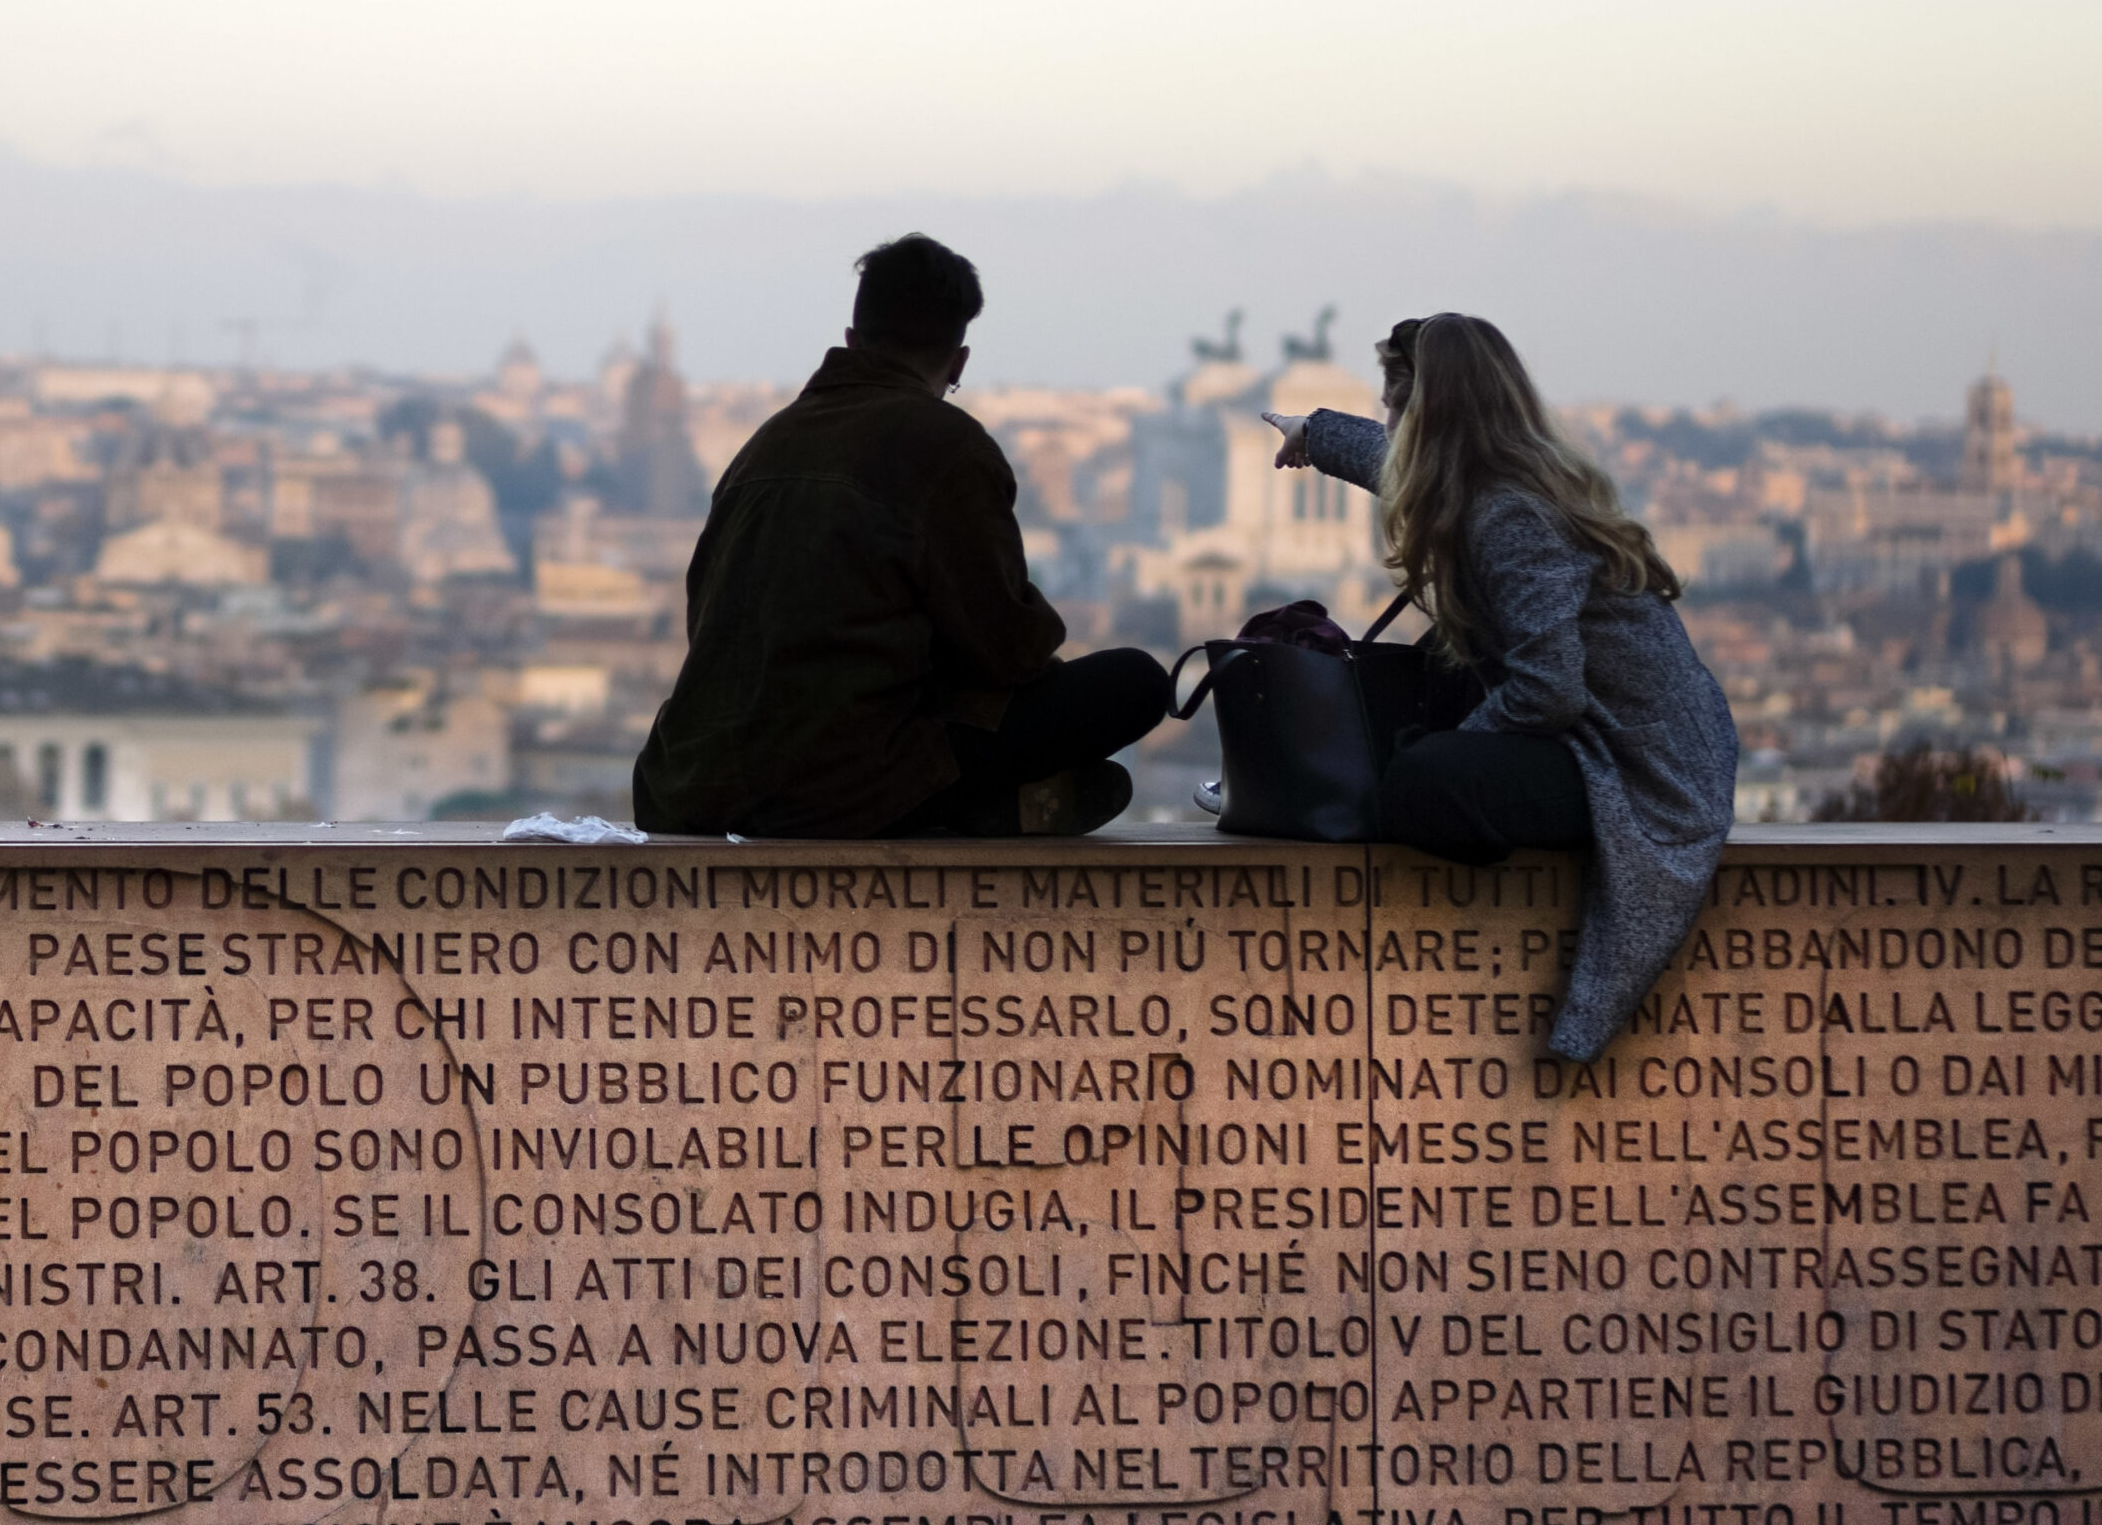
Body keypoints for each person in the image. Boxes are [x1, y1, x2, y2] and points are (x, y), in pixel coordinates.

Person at [1265, 314, 1737, 1061]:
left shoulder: (1509, 515)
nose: (1389, 424)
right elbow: (1399, 462)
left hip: (1638, 769)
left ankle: (1334, 793)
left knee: (1424, 784)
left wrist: (1447, 751)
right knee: (1432, 677)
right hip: (1616, 737)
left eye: (1395, 408)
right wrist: (1314, 434)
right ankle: (1323, 788)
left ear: (1425, 416)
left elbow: (1550, 693)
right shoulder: (1492, 481)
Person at [633, 234, 1167, 838]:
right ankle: (967, 808)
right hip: (839, 788)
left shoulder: (765, 444)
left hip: (687, 783)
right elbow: (1008, 651)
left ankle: (979, 807)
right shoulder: (948, 446)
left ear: (853, 341)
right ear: (957, 362)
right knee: (1137, 682)